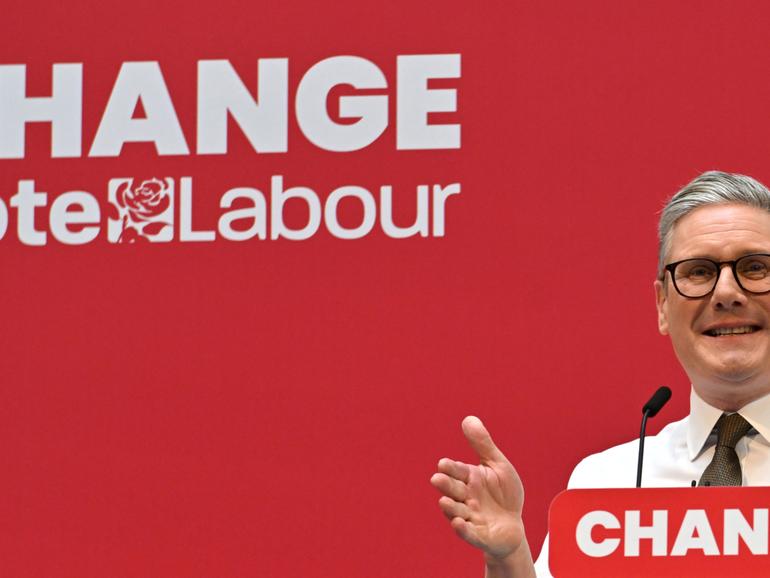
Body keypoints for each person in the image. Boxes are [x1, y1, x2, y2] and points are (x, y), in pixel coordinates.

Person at [430, 171, 770, 577]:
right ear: (663, 305)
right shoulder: (606, 482)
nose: (726, 293)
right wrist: (509, 560)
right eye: (698, 272)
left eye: (755, 267)